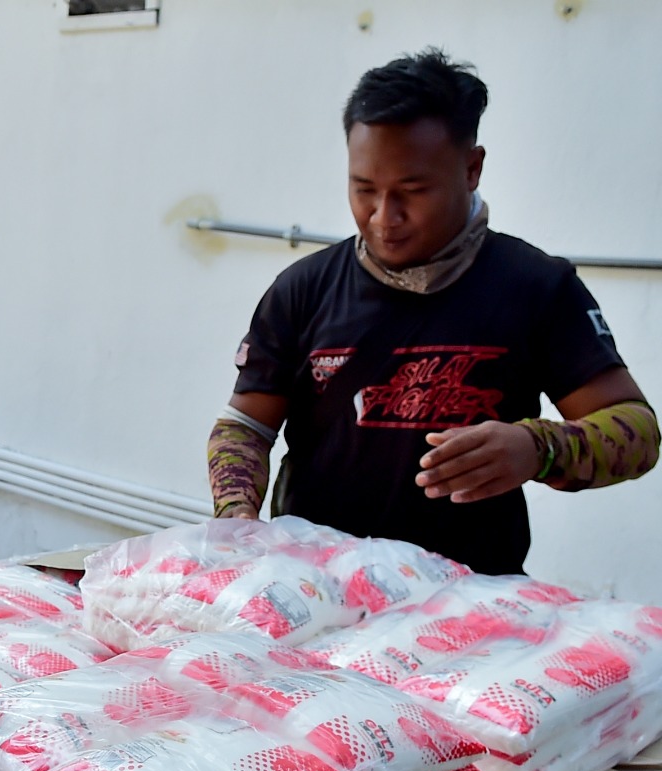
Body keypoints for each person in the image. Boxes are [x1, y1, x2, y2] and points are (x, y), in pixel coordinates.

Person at [207, 49, 657, 575]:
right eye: (364, 190)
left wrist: (539, 446)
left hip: (469, 608)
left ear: (472, 168)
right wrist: (237, 519)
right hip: (313, 595)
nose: (383, 217)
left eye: (412, 191)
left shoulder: (536, 286)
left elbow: (639, 433)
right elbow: (244, 426)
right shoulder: (302, 288)